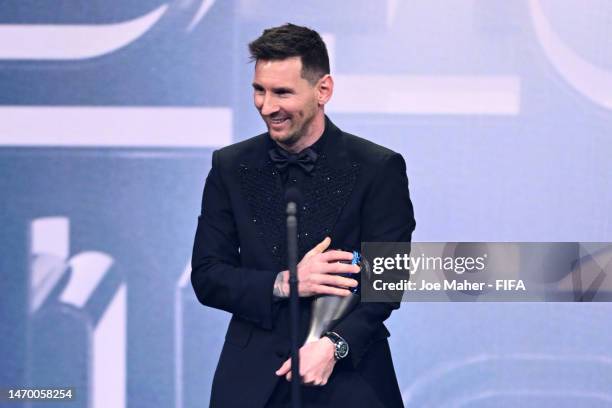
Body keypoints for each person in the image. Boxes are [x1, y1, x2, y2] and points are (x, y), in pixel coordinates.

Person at [191, 23, 415, 407]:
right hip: (251, 381)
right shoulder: (230, 166)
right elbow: (208, 276)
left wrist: (334, 346)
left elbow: (387, 282)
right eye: (258, 90)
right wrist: (285, 282)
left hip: (350, 378)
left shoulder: (378, 168)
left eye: (282, 92)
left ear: (323, 89)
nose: (267, 106)